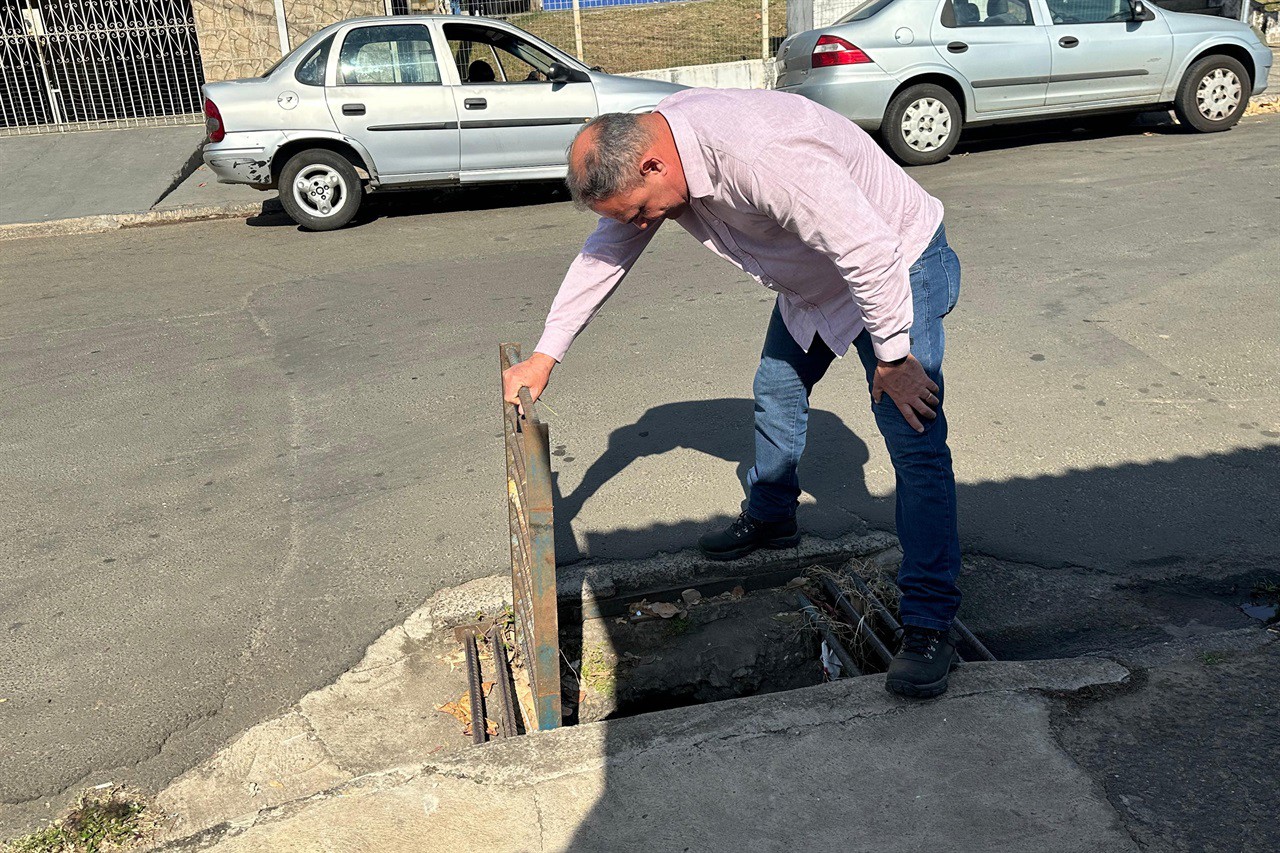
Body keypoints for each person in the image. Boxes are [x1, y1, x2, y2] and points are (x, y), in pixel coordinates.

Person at [502, 88, 963, 699]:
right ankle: (773, 517)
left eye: (641, 210)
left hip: (896, 264)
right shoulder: (660, 162)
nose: (643, 224)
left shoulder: (760, 153)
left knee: (912, 434)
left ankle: (931, 624)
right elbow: (608, 249)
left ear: (653, 165)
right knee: (776, 386)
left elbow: (868, 251)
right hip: (819, 279)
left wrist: (895, 359)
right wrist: (546, 352)